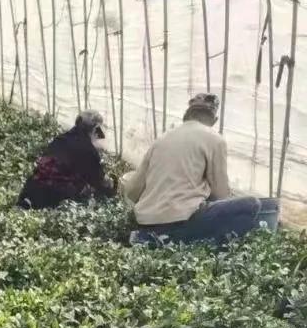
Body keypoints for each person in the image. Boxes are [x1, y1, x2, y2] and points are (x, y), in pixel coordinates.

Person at [121, 93, 280, 244]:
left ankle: (149, 238)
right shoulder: (214, 139)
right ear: (214, 119)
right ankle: (209, 246)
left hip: (145, 222)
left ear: (187, 114)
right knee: (251, 204)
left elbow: (133, 191)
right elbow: (221, 195)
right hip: (181, 223)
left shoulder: (161, 140)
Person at [18, 111, 114, 210]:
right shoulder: (88, 150)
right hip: (55, 194)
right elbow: (99, 181)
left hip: (31, 187)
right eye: (99, 132)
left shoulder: (60, 139)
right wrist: (111, 185)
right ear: (94, 129)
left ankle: (28, 202)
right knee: (88, 189)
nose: (99, 136)